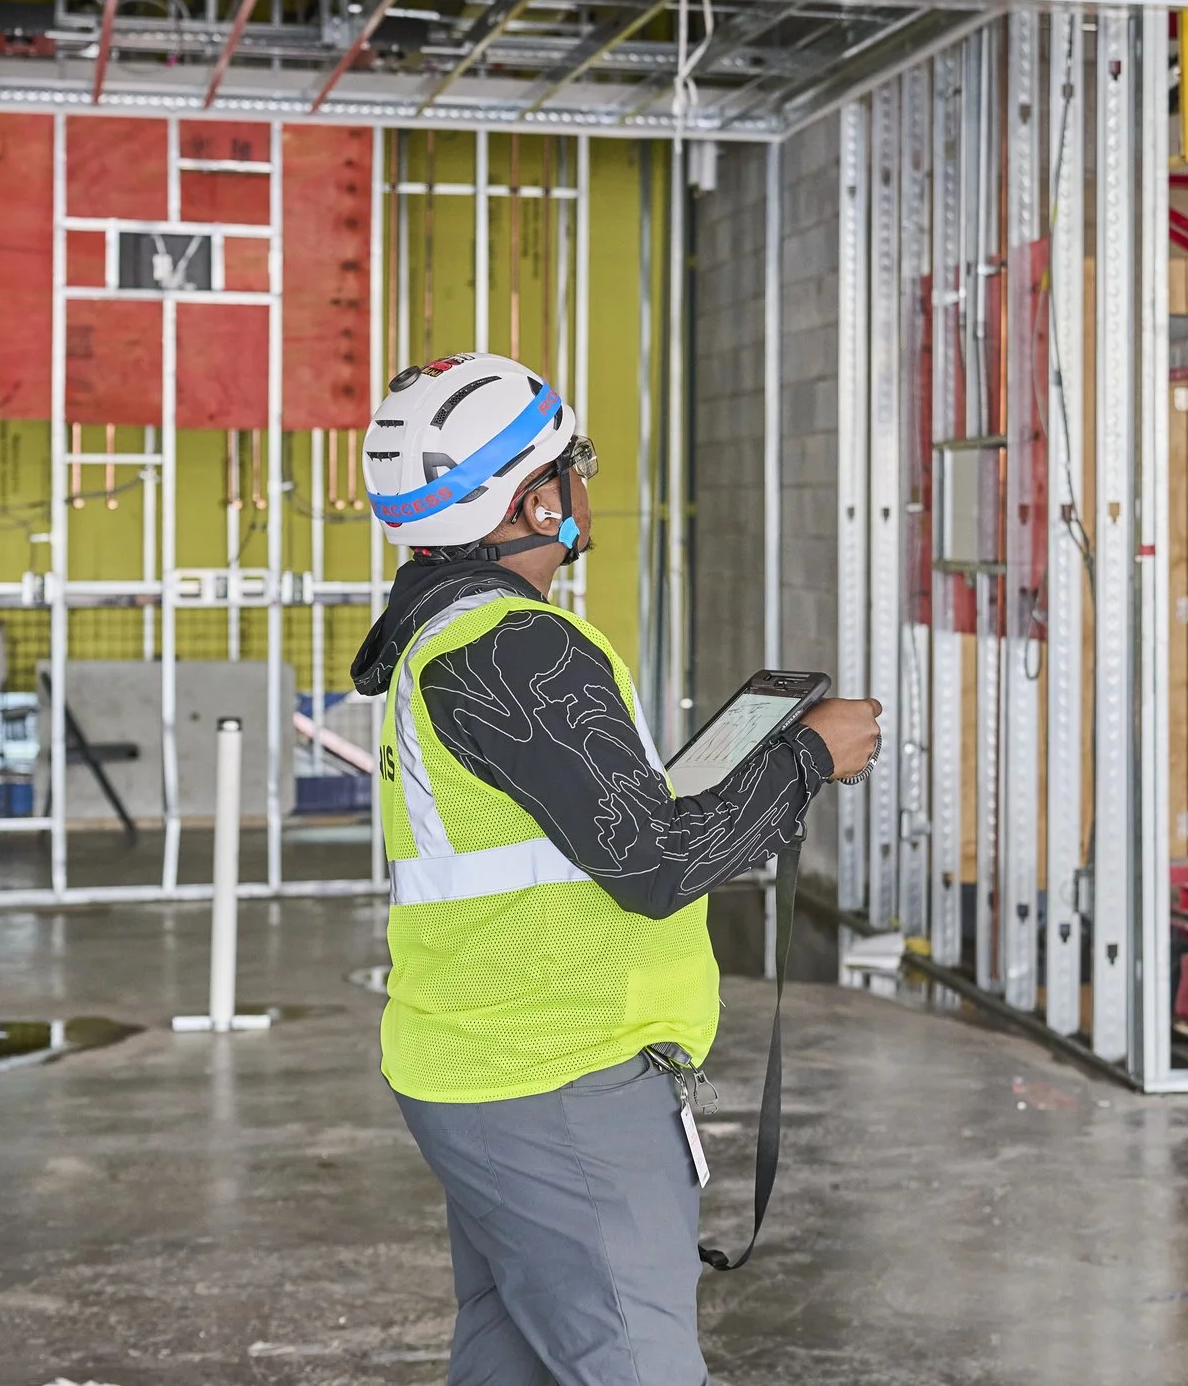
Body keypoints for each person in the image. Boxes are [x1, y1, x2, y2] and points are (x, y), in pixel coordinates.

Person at [350, 352, 882, 1386]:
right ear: (532, 500)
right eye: (572, 461)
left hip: (483, 1065)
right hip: (560, 1080)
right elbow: (656, 862)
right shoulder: (520, 649)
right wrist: (809, 754)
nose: (585, 482)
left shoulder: (448, 635)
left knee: (516, 1357)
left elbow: (603, 831)